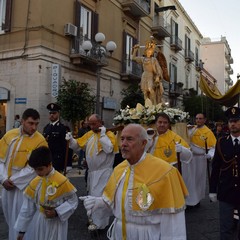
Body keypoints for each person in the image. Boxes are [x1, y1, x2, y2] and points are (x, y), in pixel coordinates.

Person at [80, 124, 188, 239]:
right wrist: (99, 203)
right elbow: (117, 202)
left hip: (147, 235)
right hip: (120, 233)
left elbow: (174, 222)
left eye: (130, 139)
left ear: (143, 143)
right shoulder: (119, 169)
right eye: (122, 139)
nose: (124, 144)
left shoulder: (165, 172)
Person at [0, 108, 48, 240]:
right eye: (31, 123)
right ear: (22, 121)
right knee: (10, 218)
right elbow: (0, 159)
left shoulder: (40, 140)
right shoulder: (9, 135)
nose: (34, 127)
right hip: (6, 184)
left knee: (23, 220)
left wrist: (13, 181)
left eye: (36, 124)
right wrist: (3, 179)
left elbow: (34, 168)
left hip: (25, 187)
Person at [66, 113, 119, 230]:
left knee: (99, 197)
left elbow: (109, 148)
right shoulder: (89, 134)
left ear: (100, 122)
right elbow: (77, 146)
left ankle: (99, 224)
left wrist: (103, 135)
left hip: (104, 172)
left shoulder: (109, 135)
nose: (91, 127)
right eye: (90, 124)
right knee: (91, 196)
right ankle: (94, 220)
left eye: (94, 124)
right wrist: (70, 139)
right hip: (92, 172)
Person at [14, 146, 78, 240]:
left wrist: (57, 212)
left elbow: (73, 202)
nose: (37, 172)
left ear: (49, 165)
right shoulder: (35, 183)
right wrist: (21, 231)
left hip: (56, 224)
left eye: (40, 169)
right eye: (35, 169)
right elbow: (27, 208)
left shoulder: (62, 181)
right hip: (40, 223)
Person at [209, 107, 240, 239]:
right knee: (226, 228)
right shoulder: (221, 142)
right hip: (226, 191)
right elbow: (215, 167)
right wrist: (212, 190)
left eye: (236, 121)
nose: (232, 124)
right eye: (230, 121)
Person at [186, 113, 216, 207]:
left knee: (198, 180)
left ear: (205, 120)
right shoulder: (192, 128)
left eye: (200, 118)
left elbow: (213, 147)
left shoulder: (208, 132)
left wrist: (210, 155)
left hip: (200, 159)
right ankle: (189, 200)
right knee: (189, 180)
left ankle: (196, 200)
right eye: (197, 118)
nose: (198, 120)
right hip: (190, 158)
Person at [132, 37, 164, 105]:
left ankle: (154, 104)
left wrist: (158, 76)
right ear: (146, 52)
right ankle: (147, 105)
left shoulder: (154, 60)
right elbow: (133, 58)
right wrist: (135, 50)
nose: (149, 52)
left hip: (150, 75)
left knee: (150, 89)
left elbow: (158, 69)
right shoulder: (143, 59)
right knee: (145, 92)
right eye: (148, 51)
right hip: (144, 75)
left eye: (150, 51)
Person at [43, 103, 68, 172]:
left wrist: (67, 164)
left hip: (58, 161)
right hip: (47, 161)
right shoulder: (46, 128)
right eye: (50, 113)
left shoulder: (62, 128)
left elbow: (66, 147)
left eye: (54, 113)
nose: (52, 115)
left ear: (58, 114)